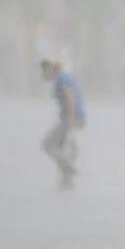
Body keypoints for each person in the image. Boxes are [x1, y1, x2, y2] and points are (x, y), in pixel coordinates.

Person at [40, 59, 87, 188]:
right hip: (72, 117)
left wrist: (71, 119)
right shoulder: (63, 76)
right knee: (64, 146)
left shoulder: (61, 78)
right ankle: (66, 179)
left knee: (47, 144)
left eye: (44, 72)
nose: (43, 76)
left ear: (49, 69)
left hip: (71, 117)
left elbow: (69, 96)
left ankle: (67, 168)